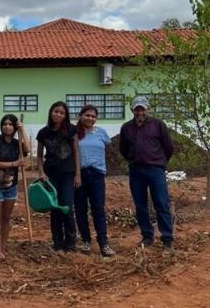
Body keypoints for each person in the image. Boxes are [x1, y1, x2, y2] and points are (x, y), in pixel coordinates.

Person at [119, 96, 175, 249]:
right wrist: (133, 159)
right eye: (137, 109)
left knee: (161, 203)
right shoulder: (126, 128)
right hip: (136, 171)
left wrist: (160, 162)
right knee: (140, 205)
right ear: (132, 110)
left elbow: (168, 147)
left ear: (147, 109)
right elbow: (123, 149)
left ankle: (167, 238)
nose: (140, 112)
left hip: (156, 170)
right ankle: (147, 236)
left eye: (142, 109)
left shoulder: (158, 124)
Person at [36, 101, 81, 252]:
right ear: (51, 112)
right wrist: (41, 172)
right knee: (54, 207)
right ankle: (57, 243)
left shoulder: (71, 130)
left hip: (68, 174)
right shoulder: (43, 133)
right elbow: (39, 156)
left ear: (65, 116)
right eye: (56, 111)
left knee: (66, 206)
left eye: (62, 113)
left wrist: (78, 174)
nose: (58, 115)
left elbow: (76, 152)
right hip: (50, 175)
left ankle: (70, 243)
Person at [0, 114, 29, 261]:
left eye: (10, 124)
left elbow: (27, 149)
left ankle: (3, 246)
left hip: (11, 186)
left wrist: (22, 131)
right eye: (5, 124)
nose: (7, 127)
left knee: (6, 218)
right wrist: (14, 164)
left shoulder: (17, 143)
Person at [74, 105, 115, 257]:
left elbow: (109, 151)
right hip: (79, 175)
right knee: (81, 209)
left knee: (98, 209)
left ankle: (103, 243)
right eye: (87, 115)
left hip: (97, 175)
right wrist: (76, 175)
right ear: (80, 116)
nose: (90, 118)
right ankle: (86, 241)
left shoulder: (101, 133)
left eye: (93, 116)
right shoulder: (74, 133)